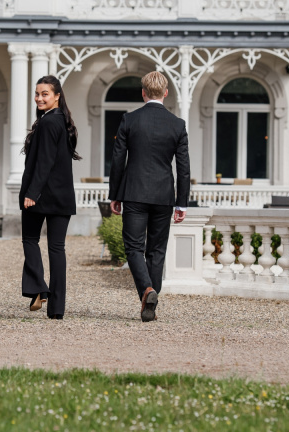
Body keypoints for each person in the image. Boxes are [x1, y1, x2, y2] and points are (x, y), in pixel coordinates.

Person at [108, 71, 190, 322]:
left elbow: (118, 160)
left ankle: (147, 290)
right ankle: (151, 298)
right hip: (164, 195)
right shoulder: (177, 124)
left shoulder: (129, 120)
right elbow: (184, 167)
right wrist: (182, 202)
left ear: (143, 93)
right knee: (157, 250)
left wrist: (115, 194)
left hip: (134, 192)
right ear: (166, 93)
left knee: (133, 247)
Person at [19, 75, 80, 320]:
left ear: (57, 96)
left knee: (30, 240)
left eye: (45, 94)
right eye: (37, 93)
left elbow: (44, 162)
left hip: (42, 195)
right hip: (63, 196)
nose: (39, 98)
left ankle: (38, 288)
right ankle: (57, 308)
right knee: (57, 249)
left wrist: (31, 193)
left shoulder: (47, 123)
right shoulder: (64, 122)